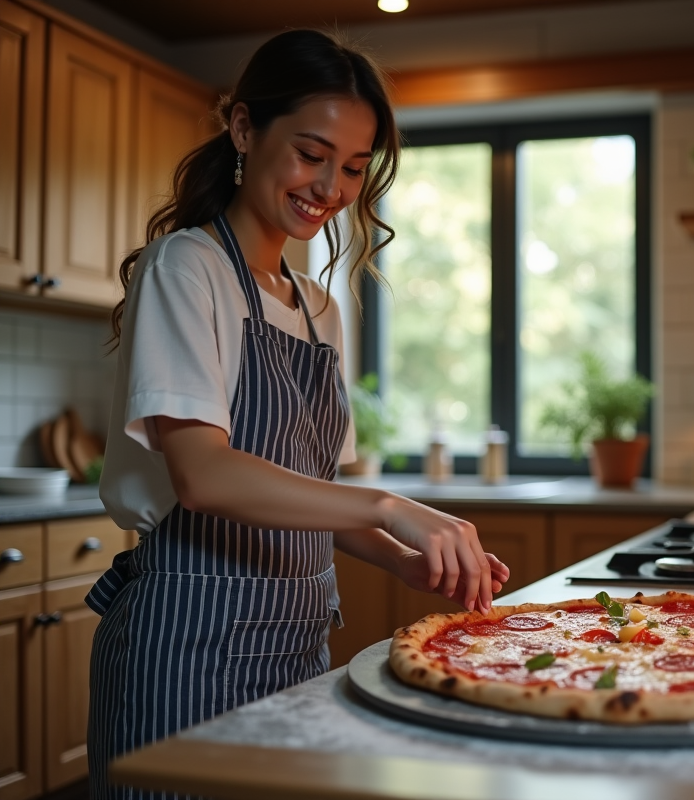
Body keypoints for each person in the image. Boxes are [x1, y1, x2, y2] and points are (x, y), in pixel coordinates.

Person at [87, 29, 510, 799]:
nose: (332, 187)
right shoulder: (188, 268)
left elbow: (308, 498)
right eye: (312, 154)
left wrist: (404, 560)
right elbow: (205, 475)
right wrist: (390, 505)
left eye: (353, 167)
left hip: (297, 649)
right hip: (186, 649)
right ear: (245, 129)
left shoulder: (317, 308)